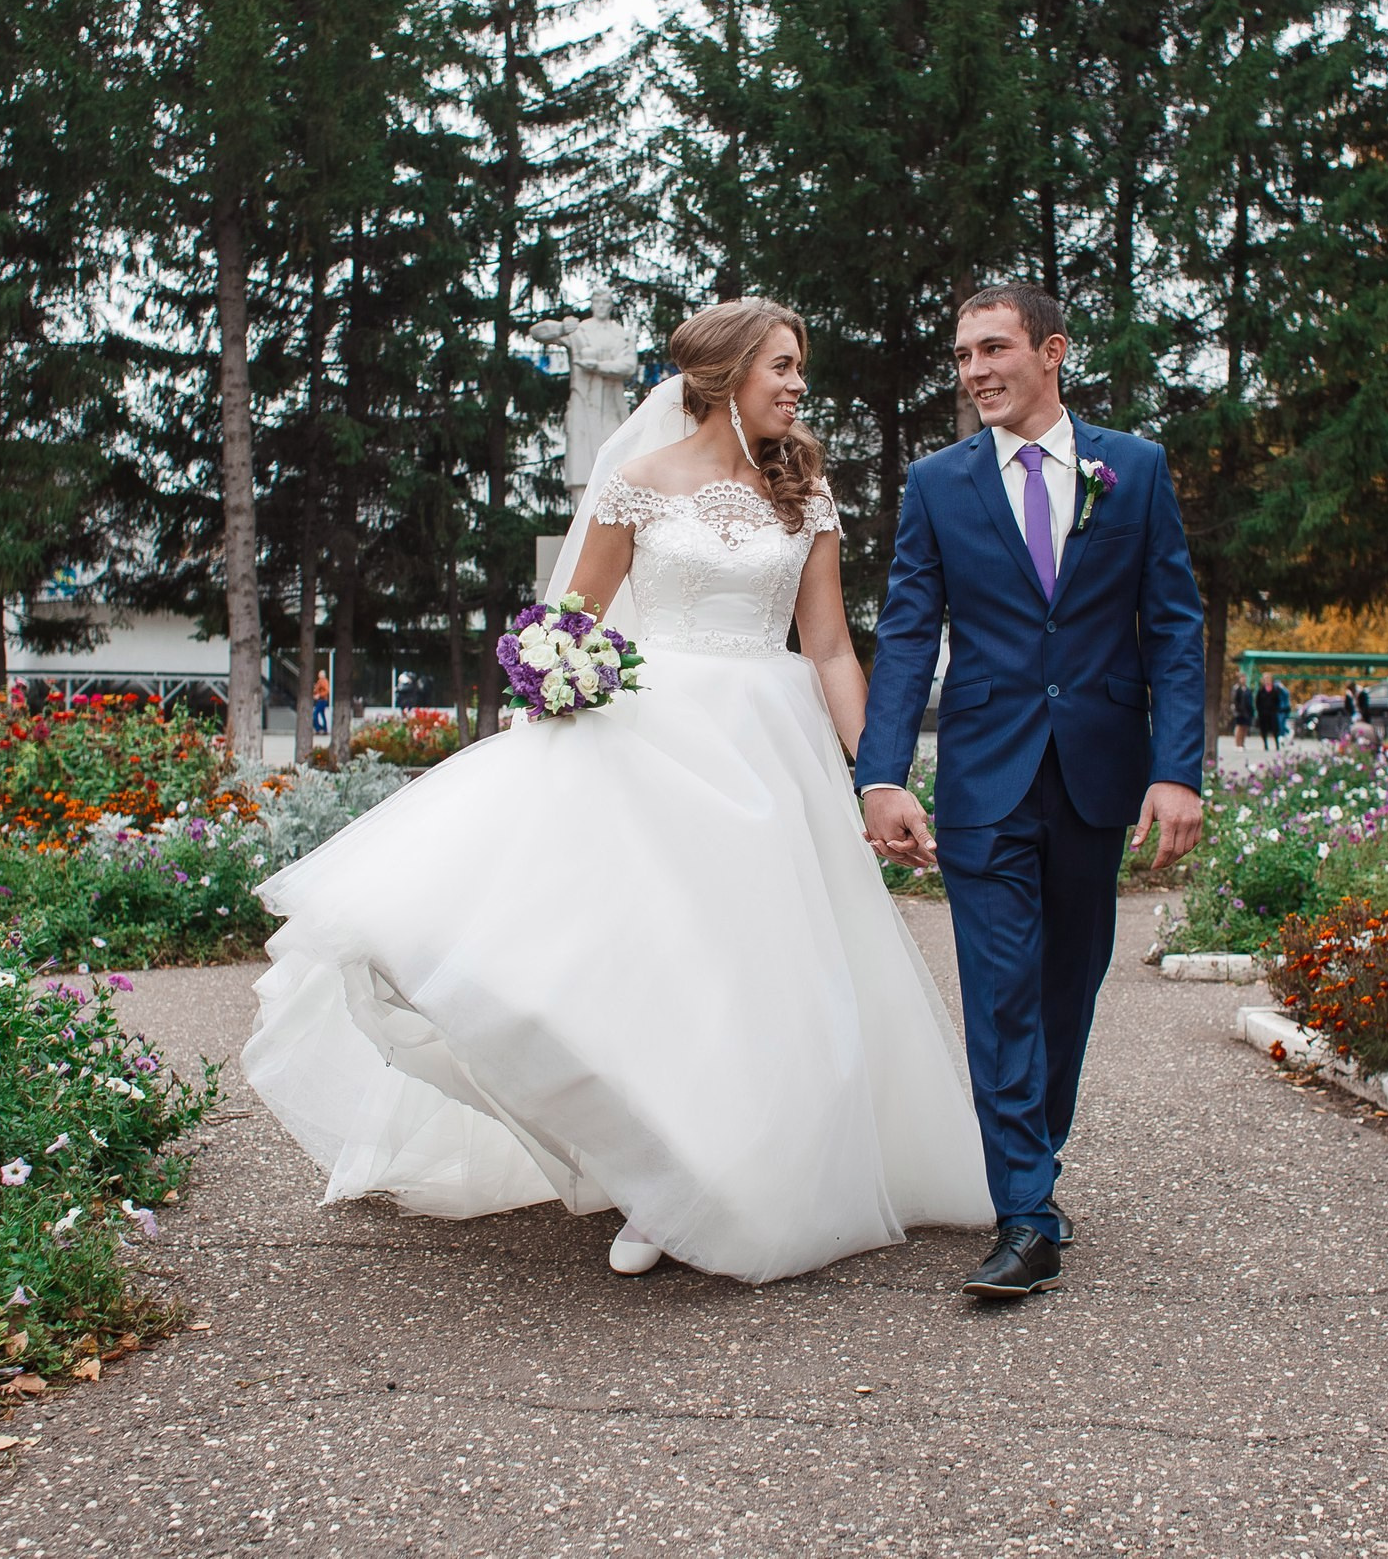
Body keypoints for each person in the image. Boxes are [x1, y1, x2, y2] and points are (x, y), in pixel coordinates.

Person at [243, 298, 990, 1285]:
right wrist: (553, 684)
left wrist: (877, 774)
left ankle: (734, 1171)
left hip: (770, 749)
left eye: (799, 366)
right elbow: (568, 624)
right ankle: (654, 1180)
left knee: (759, 969)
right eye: (780, 366)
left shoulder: (804, 497)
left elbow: (829, 647)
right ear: (724, 375)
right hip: (646, 740)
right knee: (655, 964)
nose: (797, 385)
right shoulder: (635, 486)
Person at [857, 284, 1206, 1301]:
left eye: (993, 347)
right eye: (961, 354)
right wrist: (883, 773)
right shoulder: (937, 484)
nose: (972, 371)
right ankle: (1023, 1213)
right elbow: (909, 635)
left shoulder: (1131, 471)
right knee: (1001, 986)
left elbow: (1174, 627)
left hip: (1096, 769)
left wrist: (1175, 769)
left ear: (1050, 351)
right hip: (984, 772)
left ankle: (1029, 1160)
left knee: (1069, 981)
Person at [1253, 678, 1285, 750]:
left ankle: (1277, 744)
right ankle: (1265, 744)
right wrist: (1260, 711)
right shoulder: (1261, 691)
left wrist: (1276, 709)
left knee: (1275, 729)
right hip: (1263, 714)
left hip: (1272, 714)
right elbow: (1257, 702)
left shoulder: (1275, 690)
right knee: (1264, 729)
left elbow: (1279, 701)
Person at [1230, 680, 1253, 751]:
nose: (1244, 679)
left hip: (1247, 711)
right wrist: (1236, 710)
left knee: (1245, 728)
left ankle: (1242, 743)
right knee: (1239, 727)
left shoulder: (1247, 689)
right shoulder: (1236, 688)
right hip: (1239, 711)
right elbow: (1234, 700)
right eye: (1242, 678)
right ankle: (1237, 744)